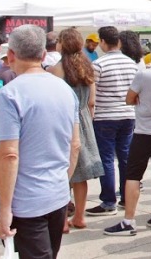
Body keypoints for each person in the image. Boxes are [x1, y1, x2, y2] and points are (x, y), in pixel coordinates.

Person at [0, 25, 80, 259]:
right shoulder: (64, 89)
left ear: (11, 55)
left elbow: (9, 154)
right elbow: (75, 145)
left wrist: (4, 210)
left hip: (27, 201)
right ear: (43, 55)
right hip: (58, 193)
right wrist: (62, 181)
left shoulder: (9, 94)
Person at [105, 38, 151, 236]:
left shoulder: (144, 74)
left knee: (133, 174)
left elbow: (129, 98)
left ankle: (129, 220)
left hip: (144, 130)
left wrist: (141, 100)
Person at [47, 29, 104, 231]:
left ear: (63, 44)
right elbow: (91, 101)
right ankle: (79, 216)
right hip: (84, 119)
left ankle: (62, 221)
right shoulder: (87, 67)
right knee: (81, 174)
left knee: (64, 172)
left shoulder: (56, 69)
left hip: (64, 121)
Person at [87, 26, 138, 217]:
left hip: (106, 116)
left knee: (106, 158)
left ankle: (109, 201)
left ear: (102, 42)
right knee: (124, 157)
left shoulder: (98, 65)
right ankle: (126, 197)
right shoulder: (131, 63)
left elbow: (92, 93)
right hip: (128, 114)